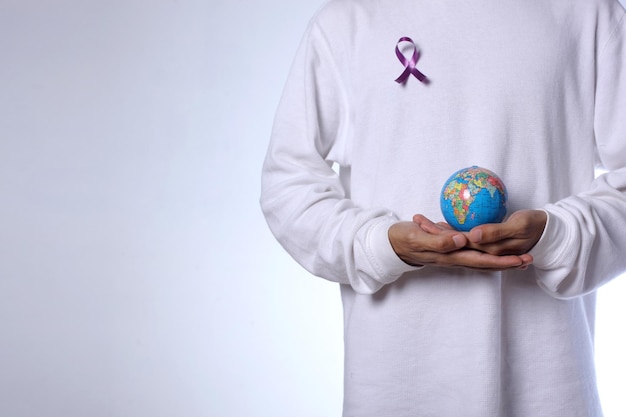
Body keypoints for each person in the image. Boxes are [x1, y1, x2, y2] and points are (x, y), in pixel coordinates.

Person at [260, 0, 626, 415]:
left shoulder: (589, 14)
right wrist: (379, 245)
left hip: (549, 388)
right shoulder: (348, 21)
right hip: (395, 385)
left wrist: (557, 235)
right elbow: (287, 185)